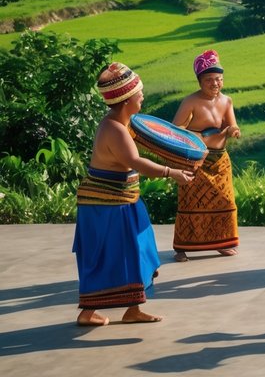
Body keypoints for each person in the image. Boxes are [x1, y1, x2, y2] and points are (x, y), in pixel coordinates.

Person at [74, 63, 195, 326]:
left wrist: (182, 149)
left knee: (137, 251)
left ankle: (133, 308)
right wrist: (171, 172)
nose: (143, 96)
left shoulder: (125, 123)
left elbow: (154, 139)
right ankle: (87, 312)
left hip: (124, 201)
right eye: (139, 92)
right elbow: (136, 161)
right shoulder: (114, 129)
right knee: (110, 256)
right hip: (106, 205)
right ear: (127, 99)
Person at [171, 49, 241, 261]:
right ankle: (182, 247)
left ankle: (223, 242)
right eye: (209, 79)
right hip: (195, 160)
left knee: (225, 200)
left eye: (218, 79)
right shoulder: (190, 101)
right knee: (191, 203)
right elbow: (175, 129)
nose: (215, 83)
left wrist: (232, 131)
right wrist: (197, 135)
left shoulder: (226, 101)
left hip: (220, 159)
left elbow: (231, 124)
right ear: (200, 81)